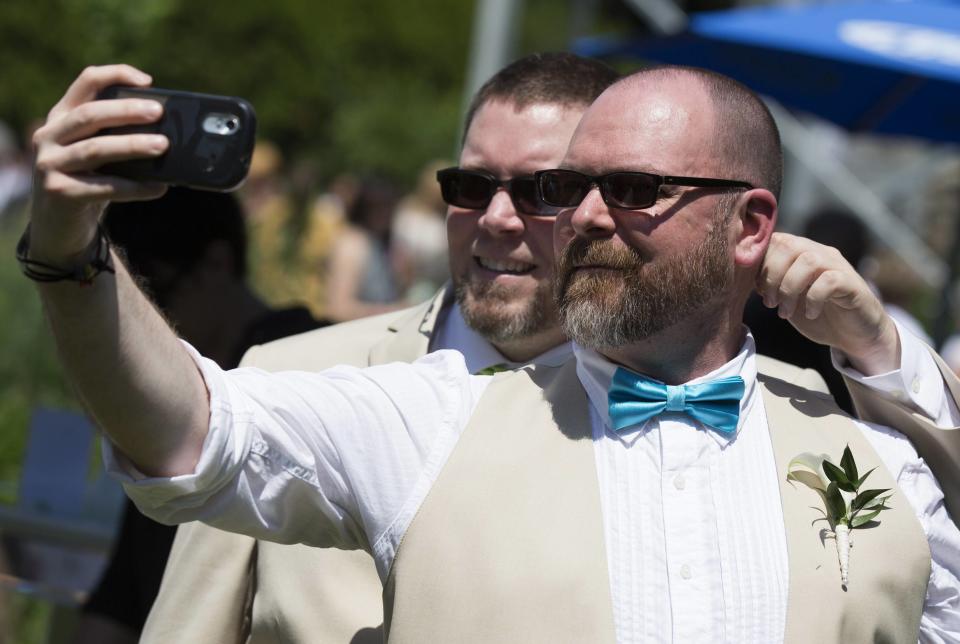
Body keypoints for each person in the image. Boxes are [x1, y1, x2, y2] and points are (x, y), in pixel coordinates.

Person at [23, 63, 960, 642]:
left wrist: (881, 351)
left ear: (749, 224)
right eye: (574, 186)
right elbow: (189, 430)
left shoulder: (867, 448)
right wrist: (71, 251)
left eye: (630, 188)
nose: (581, 217)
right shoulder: (437, 415)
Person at [69, 188, 322, 644]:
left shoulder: (304, 371)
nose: (132, 326)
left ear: (217, 264)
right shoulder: (181, 398)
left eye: (152, 294)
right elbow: (123, 593)